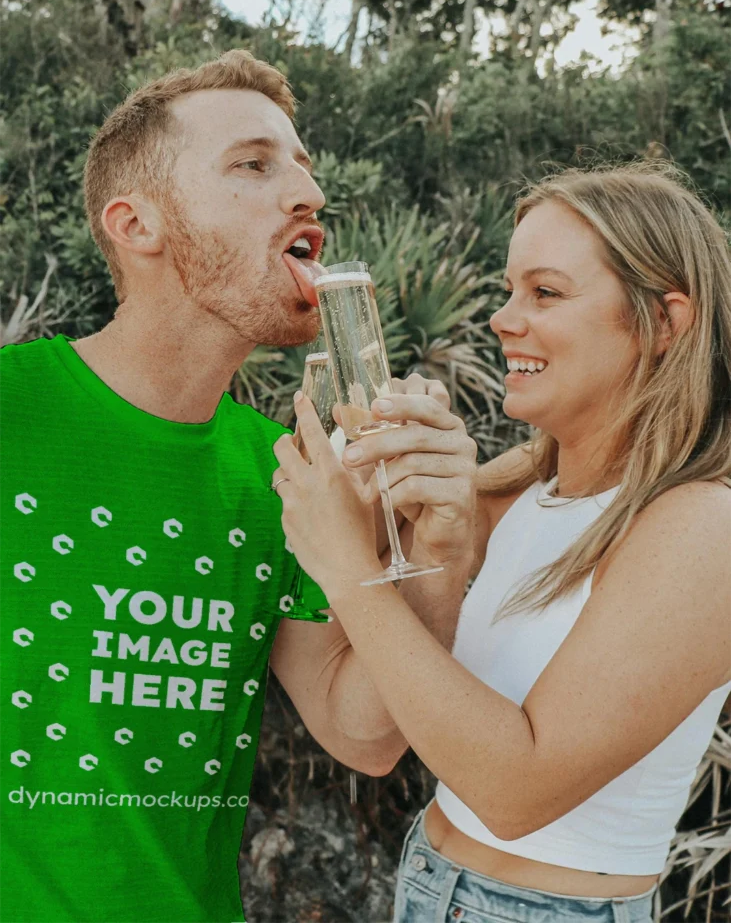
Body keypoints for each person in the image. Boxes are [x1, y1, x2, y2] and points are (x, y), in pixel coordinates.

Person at [0, 49, 475, 923]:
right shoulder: (10, 410)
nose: (307, 194)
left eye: (302, 166)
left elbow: (362, 734)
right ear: (135, 224)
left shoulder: (285, 471)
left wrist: (440, 549)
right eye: (254, 165)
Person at [273, 164, 731, 923]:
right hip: (426, 876)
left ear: (664, 322)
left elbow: (516, 791)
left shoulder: (702, 525)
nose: (502, 319)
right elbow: (368, 725)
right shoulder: (522, 483)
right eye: (509, 289)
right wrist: (423, 530)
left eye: (544, 292)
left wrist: (350, 569)